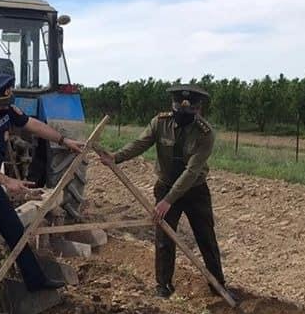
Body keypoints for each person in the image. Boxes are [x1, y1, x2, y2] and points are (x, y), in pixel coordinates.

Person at [0, 71, 84, 314]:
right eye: (0, 103)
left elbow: (31, 124)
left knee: (15, 231)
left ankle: (36, 281)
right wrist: (6, 180)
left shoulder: (5, 110)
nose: (5, 108)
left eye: (6, 103)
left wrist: (63, 140)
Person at [100, 84, 236, 300]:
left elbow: (192, 171)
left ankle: (217, 285)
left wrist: (168, 201)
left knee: (206, 237)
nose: (181, 116)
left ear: (197, 110)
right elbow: (139, 143)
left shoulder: (205, 134)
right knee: (164, 238)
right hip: (165, 185)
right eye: (177, 112)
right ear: (172, 108)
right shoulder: (160, 123)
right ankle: (163, 286)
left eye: (187, 113)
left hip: (194, 191)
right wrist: (116, 157)